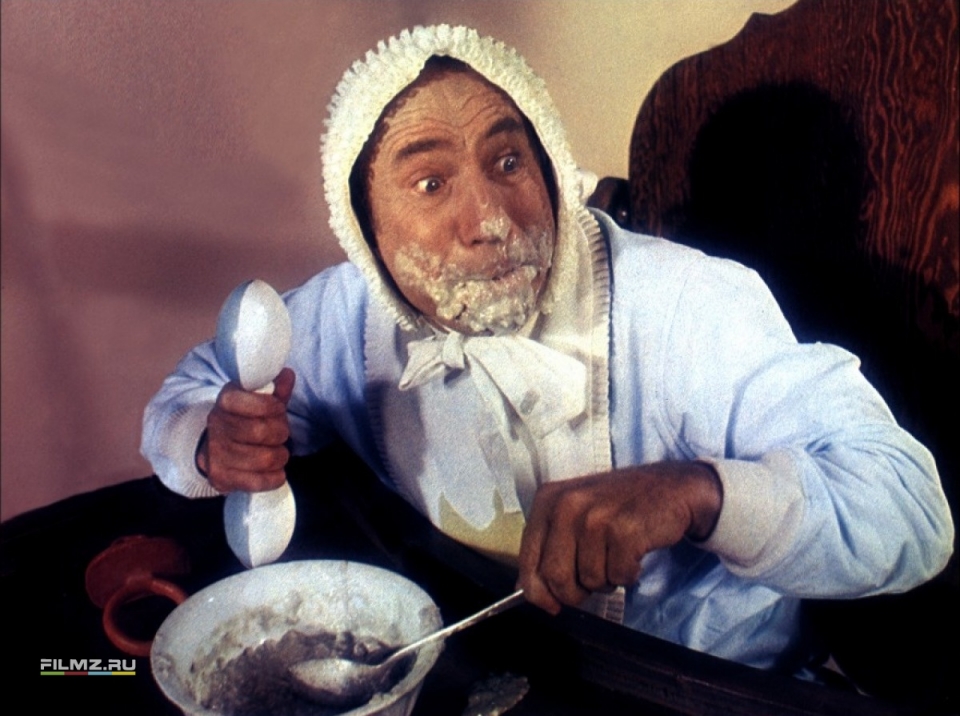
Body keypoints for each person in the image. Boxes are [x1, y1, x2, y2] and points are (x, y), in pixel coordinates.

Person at [141, 25, 954, 674]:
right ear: (366, 232)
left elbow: (912, 510)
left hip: (695, 688)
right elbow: (193, 391)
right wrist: (214, 441)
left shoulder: (691, 303)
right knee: (91, 679)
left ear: (551, 166)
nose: (491, 219)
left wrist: (698, 492)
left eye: (508, 161)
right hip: (479, 667)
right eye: (430, 184)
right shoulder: (350, 314)